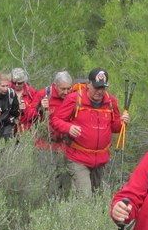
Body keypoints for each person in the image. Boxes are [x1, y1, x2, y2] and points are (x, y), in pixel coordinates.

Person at [50, 67, 129, 197]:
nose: (100, 91)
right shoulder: (74, 99)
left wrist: (122, 122)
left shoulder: (111, 101)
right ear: (88, 85)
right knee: (85, 197)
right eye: (96, 87)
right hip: (78, 158)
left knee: (97, 196)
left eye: (103, 88)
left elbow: (115, 128)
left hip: (100, 160)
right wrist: (68, 127)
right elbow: (56, 120)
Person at [33, 71, 75, 195]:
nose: (67, 92)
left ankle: (61, 202)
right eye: (63, 89)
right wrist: (40, 108)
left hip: (63, 146)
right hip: (44, 145)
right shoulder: (44, 95)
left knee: (63, 179)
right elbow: (29, 117)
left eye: (69, 88)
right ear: (55, 85)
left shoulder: (73, 97)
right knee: (44, 178)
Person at [10, 67, 41, 137]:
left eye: (19, 83)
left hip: (27, 130)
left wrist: (25, 110)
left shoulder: (32, 93)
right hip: (10, 128)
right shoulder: (7, 91)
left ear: (24, 82)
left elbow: (36, 113)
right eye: (14, 83)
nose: (16, 85)